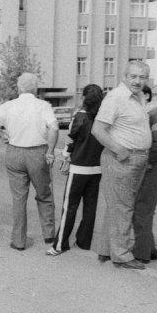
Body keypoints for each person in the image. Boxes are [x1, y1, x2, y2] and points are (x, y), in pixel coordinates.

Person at [0, 72, 58, 250]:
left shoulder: (9, 105)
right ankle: (49, 236)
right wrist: (51, 150)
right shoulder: (43, 105)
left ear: (19, 88)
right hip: (37, 153)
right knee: (44, 195)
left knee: (18, 198)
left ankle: (18, 240)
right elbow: (54, 128)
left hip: (14, 152)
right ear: (36, 88)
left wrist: (2, 134)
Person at [90, 61, 152, 269]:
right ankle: (122, 255)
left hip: (135, 159)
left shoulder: (138, 97)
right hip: (122, 159)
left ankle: (107, 249)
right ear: (124, 76)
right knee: (123, 207)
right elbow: (98, 130)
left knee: (117, 206)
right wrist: (120, 150)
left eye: (142, 77)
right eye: (133, 76)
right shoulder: (116, 97)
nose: (137, 81)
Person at [47, 84, 105, 255]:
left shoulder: (80, 116)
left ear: (85, 97)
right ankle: (84, 242)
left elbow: (71, 139)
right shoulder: (102, 117)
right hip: (97, 168)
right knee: (90, 207)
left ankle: (60, 245)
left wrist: (65, 157)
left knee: (69, 207)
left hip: (79, 168)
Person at [132, 85, 157, 263]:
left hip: (152, 168)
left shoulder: (156, 114)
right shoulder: (145, 115)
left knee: (141, 210)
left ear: (146, 95)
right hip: (147, 167)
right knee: (142, 210)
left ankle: (141, 254)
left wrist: (147, 163)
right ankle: (149, 248)